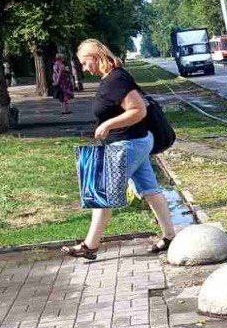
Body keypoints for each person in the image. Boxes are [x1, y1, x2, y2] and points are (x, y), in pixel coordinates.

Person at [61, 40, 175, 261]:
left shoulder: (116, 79)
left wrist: (107, 125)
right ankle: (170, 236)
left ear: (96, 57)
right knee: (150, 190)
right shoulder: (112, 78)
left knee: (103, 192)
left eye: (85, 63)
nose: (84, 68)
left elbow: (138, 110)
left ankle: (90, 246)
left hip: (128, 143)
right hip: (134, 141)